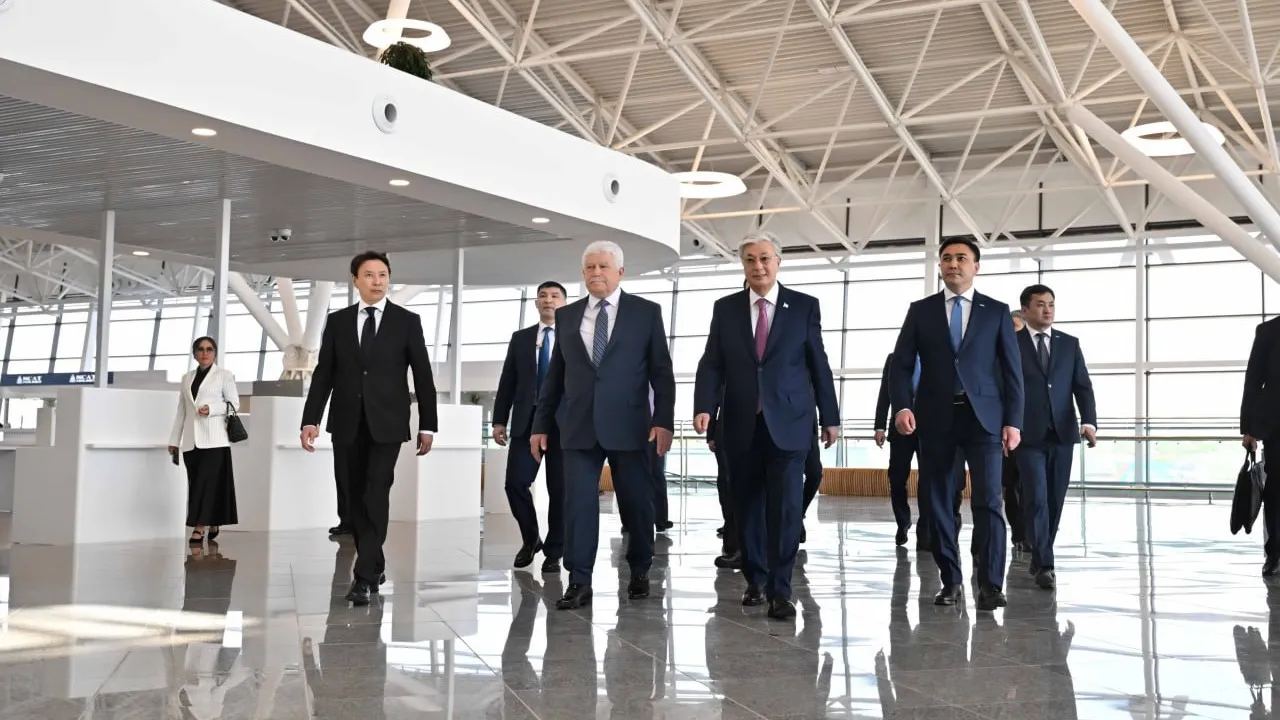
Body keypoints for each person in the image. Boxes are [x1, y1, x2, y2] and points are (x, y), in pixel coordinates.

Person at [693, 231, 841, 620]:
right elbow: (712, 362)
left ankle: (781, 589)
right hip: (740, 422)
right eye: (750, 260)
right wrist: (705, 405)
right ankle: (755, 580)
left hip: (790, 423)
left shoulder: (804, 306)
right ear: (742, 265)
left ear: (778, 262)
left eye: (764, 258)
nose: (757, 266)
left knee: (786, 508)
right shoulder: (726, 308)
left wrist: (830, 416)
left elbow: (818, 363)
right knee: (747, 507)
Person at [530, 240, 675, 610]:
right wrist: (540, 424)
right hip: (578, 425)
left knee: (636, 503)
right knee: (578, 504)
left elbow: (661, 371)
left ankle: (639, 569)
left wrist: (663, 421)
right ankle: (579, 580)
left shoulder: (646, 313)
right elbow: (555, 376)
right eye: (590, 267)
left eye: (603, 267)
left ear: (620, 272)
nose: (596, 273)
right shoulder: (567, 315)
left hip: (631, 425)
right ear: (583, 273)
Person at [890, 237, 1023, 611]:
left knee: (989, 502)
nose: (953, 264)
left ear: (975, 266)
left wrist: (1014, 422)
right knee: (939, 503)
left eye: (961, 258)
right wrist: (902, 407)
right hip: (935, 419)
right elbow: (901, 364)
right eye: (946, 258)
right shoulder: (921, 311)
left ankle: (991, 584)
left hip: (984, 420)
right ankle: (951, 580)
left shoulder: (996, 311)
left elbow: (1012, 372)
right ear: (940, 266)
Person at [300, 251, 437, 606]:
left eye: (383, 275)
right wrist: (311, 419)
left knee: (376, 491)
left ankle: (363, 576)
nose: (377, 281)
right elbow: (324, 374)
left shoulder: (407, 321)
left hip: (388, 423)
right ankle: (374, 563)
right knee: (353, 496)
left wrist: (428, 425)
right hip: (346, 421)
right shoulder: (338, 321)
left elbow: (423, 374)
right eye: (370, 275)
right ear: (355, 280)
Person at [1013, 284, 1097, 590]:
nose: (1047, 309)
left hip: (1062, 433)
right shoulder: (1011, 343)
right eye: (1039, 304)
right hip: (1026, 434)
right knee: (1036, 497)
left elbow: (1082, 386)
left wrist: (1089, 422)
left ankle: (1040, 554)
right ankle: (1046, 563)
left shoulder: (1069, 344)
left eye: (1050, 304)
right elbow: (1003, 386)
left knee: (1055, 498)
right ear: (1025, 310)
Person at [493, 280, 568, 573]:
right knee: (515, 483)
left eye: (555, 296)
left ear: (564, 303)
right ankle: (530, 538)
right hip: (527, 421)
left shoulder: (574, 335)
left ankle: (555, 551)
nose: (548, 300)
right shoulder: (521, 338)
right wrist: (499, 419)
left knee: (560, 489)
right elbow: (508, 380)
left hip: (563, 424)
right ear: (536, 303)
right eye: (543, 296)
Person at [168, 336, 241, 545]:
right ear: (194, 354)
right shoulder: (187, 378)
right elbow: (182, 411)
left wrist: (212, 409)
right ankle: (213, 520)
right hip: (192, 443)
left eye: (209, 349)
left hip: (215, 441)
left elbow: (234, 404)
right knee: (196, 485)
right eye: (200, 349)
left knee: (206, 485)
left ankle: (199, 527)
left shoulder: (224, 375)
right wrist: (174, 440)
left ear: (215, 353)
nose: (205, 353)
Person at [1242, 314, 1280, 575]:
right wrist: (1248, 429)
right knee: (1276, 488)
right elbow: (1253, 380)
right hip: (1276, 426)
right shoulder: (1269, 331)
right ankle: (1274, 551)